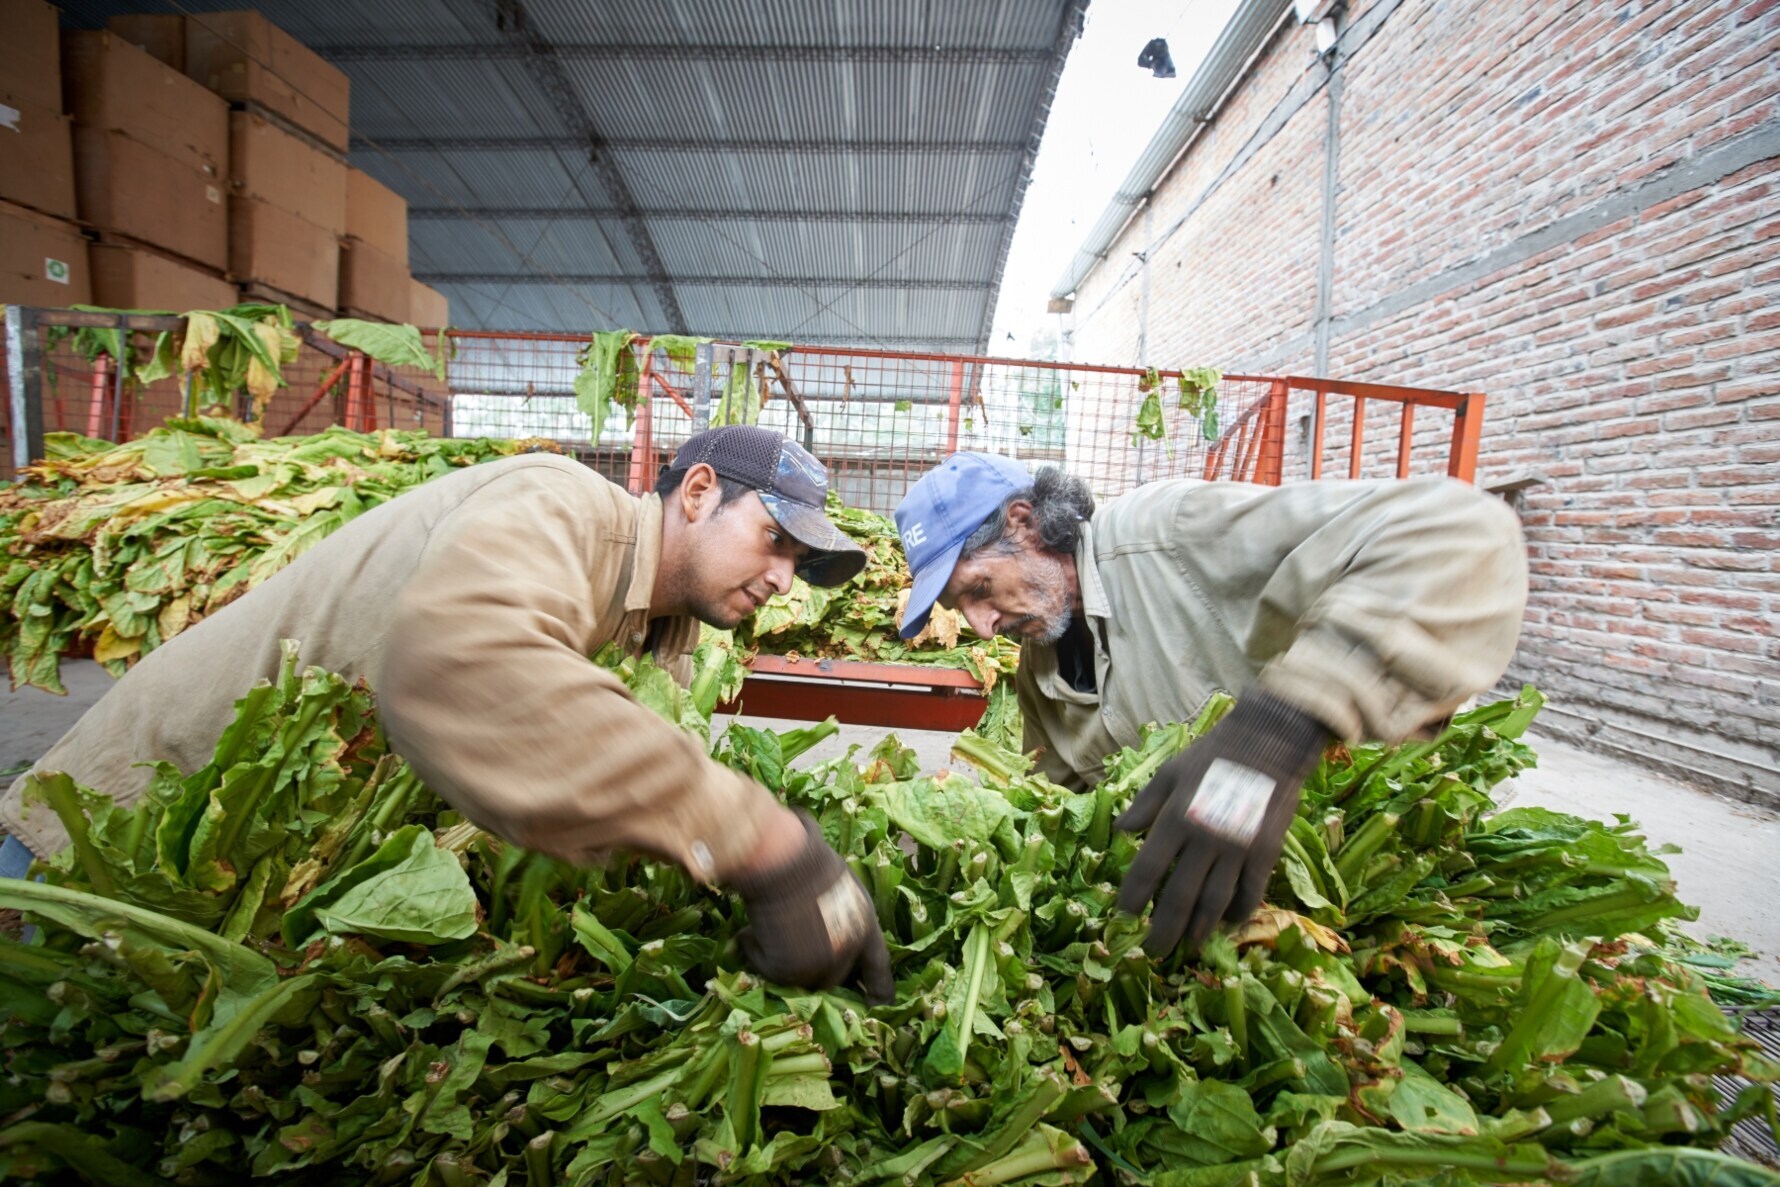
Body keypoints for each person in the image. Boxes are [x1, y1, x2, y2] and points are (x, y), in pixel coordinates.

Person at [0, 425, 893, 1000]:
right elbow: (468, 666)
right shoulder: (560, 505)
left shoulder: (660, 632)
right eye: (775, 539)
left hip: (239, 891)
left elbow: (593, 770)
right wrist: (764, 844)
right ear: (698, 493)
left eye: (802, 565)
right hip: (107, 853)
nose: (783, 579)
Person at [894, 454, 1527, 958]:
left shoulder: (1168, 533)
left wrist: (1280, 728)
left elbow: (1464, 530)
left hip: (1363, 869)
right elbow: (1056, 807)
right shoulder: (1041, 668)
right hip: (1233, 911)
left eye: (979, 588)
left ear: (1026, 522)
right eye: (959, 608)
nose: (980, 626)